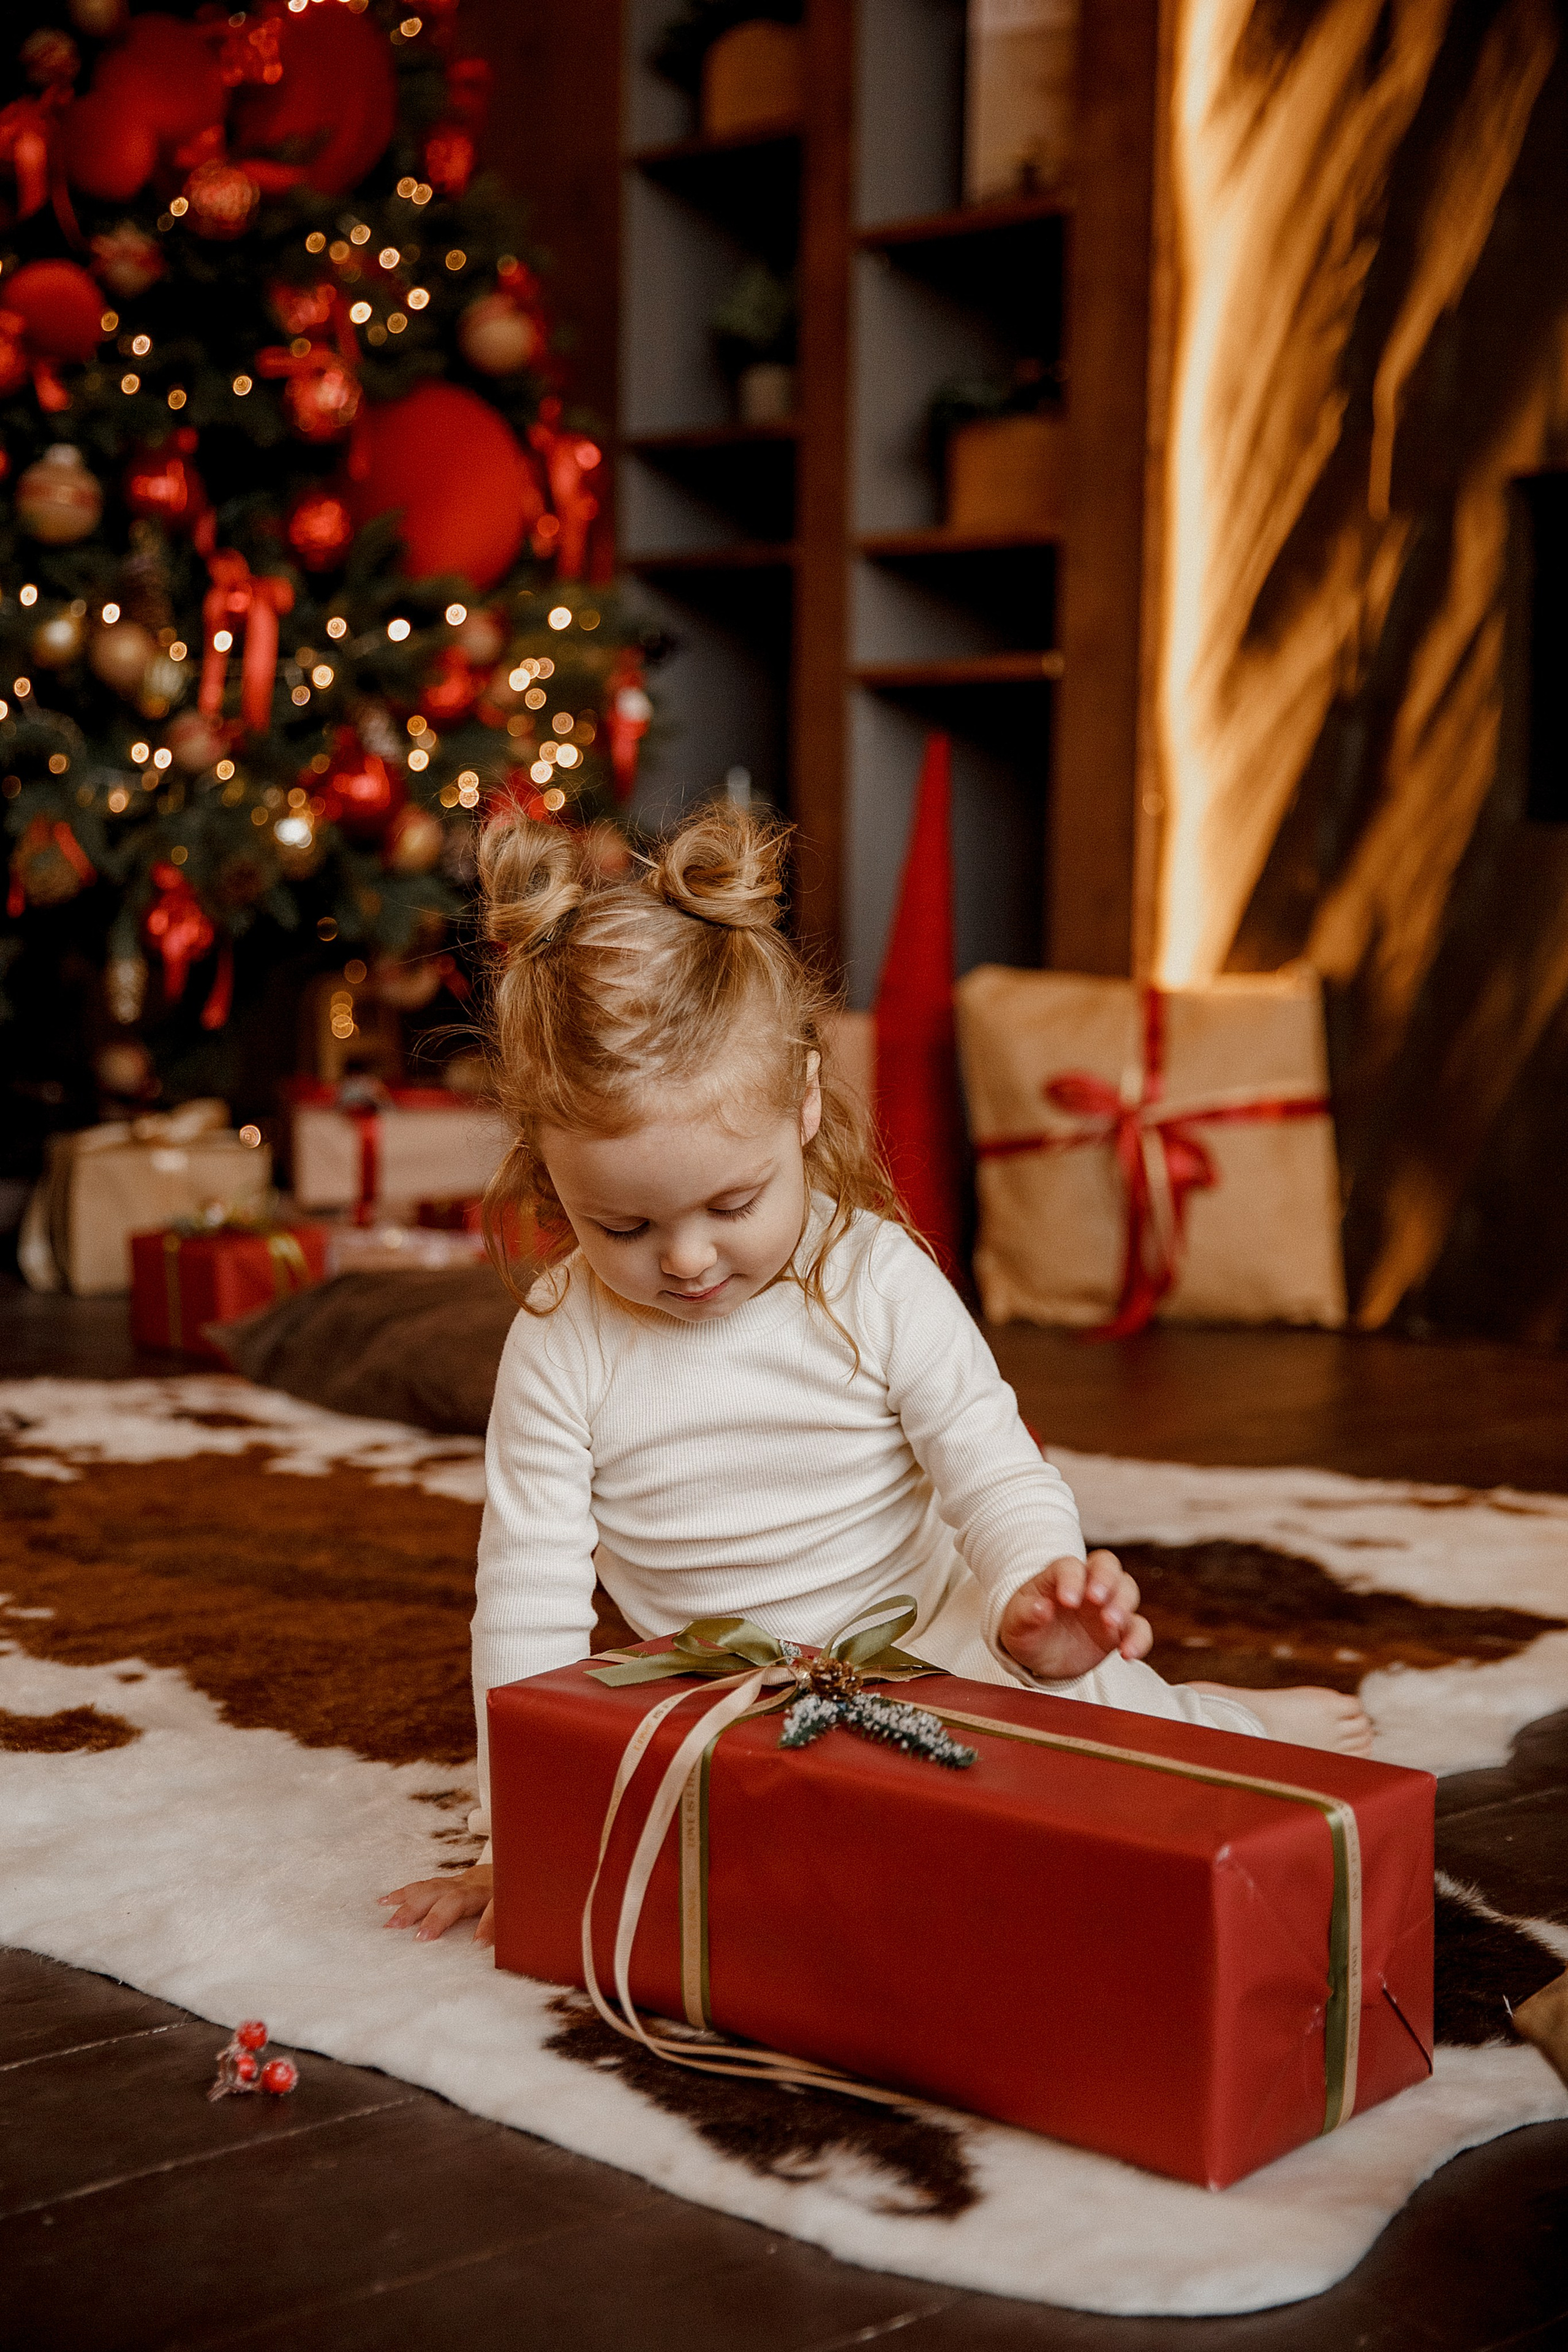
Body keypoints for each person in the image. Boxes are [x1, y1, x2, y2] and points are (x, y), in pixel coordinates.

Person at [383, 804, 1372, 1947]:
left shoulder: (873, 1273)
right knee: (771, 1865)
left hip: (939, 1637)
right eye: (624, 1226)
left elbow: (990, 1460)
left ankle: (1211, 1721)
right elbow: (528, 1605)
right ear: (547, 1175)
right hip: (734, 1694)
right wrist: (524, 1842)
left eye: (734, 1204)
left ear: (804, 1101)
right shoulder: (561, 1341)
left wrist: (1028, 1594)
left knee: (1097, 1749)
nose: (689, 1258)